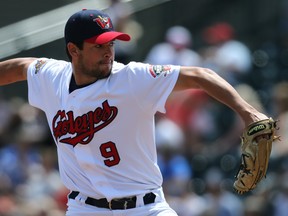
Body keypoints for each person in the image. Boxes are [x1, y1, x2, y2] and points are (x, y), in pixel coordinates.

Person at [0, 8, 269, 216]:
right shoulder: (52, 76)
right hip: (85, 208)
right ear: (73, 50)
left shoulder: (132, 78)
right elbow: (20, 67)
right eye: (98, 46)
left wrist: (248, 113)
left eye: (111, 44)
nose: (108, 52)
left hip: (145, 207)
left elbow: (201, 74)